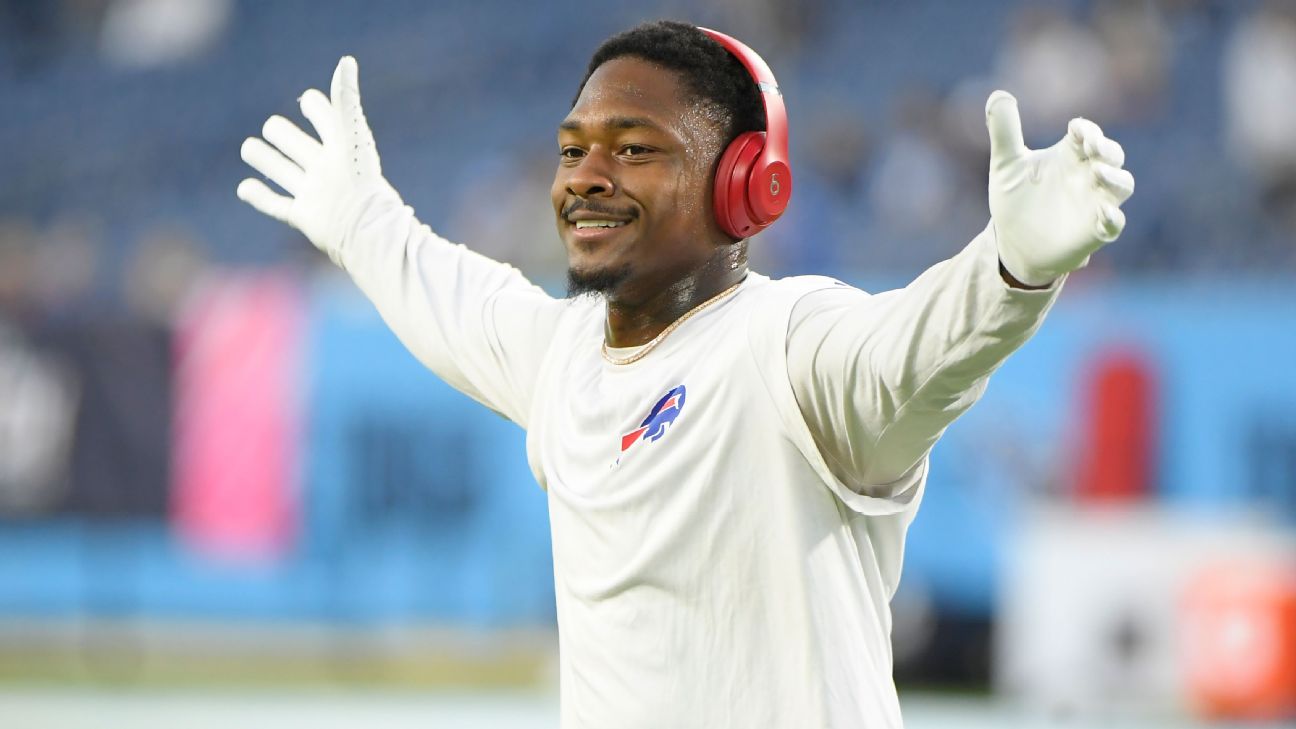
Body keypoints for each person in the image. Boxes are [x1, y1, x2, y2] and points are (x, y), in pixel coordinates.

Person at [236, 20, 1133, 729]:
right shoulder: (563, 358)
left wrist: (1011, 268)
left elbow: (921, 352)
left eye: (633, 149)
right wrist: (358, 217)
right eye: (572, 148)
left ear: (746, 185)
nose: (585, 177)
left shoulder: (790, 346)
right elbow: (453, 299)